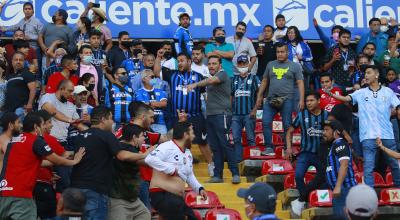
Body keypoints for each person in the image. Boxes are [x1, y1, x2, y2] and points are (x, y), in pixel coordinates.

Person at [70, 106, 152, 219]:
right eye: (111, 118)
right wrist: (144, 154)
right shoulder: (106, 135)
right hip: (95, 190)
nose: (113, 122)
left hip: (75, 188)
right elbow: (121, 155)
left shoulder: (80, 136)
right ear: (103, 119)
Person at [0, 113, 85, 220]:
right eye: (43, 124)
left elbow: (32, 162)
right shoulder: (36, 140)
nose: (44, 127)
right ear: (36, 127)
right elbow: (57, 160)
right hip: (21, 195)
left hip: (3, 193)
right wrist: (75, 161)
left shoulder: (13, 140)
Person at [329, 65, 400, 188]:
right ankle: (370, 198)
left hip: (387, 134)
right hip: (368, 135)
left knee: (394, 164)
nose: (365, 75)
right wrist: (332, 94)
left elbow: (397, 106)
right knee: (368, 168)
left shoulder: (388, 92)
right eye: (365, 73)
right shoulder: (360, 92)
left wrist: (392, 113)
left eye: (368, 72)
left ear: (376, 75)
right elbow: (346, 98)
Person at [187, 55, 241, 184]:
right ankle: (218, 175)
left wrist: (195, 84)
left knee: (226, 145)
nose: (211, 66)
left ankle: (235, 173)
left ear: (220, 65)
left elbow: (211, 81)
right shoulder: (211, 77)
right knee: (215, 147)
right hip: (210, 115)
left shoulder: (222, 74)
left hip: (221, 115)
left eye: (214, 63)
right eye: (209, 64)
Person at [163, 53, 214, 175]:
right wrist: (159, 57)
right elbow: (156, 71)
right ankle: (182, 169)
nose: (179, 63)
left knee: (203, 142)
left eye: (182, 61)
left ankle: (212, 166)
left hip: (195, 115)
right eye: (178, 61)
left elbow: (204, 94)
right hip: (178, 116)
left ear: (189, 62)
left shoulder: (199, 76)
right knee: (180, 143)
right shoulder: (172, 75)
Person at [145, 121, 207, 220]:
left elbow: (189, 175)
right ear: (185, 135)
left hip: (175, 198)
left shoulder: (187, 153)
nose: (194, 136)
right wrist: (171, 170)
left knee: (192, 217)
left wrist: (199, 188)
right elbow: (150, 159)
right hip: (162, 194)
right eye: (192, 133)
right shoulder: (167, 146)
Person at [255, 42, 305, 155]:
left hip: (287, 99)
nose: (280, 54)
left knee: (287, 124)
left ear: (287, 52)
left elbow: (300, 83)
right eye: (278, 52)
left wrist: (301, 100)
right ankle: (269, 148)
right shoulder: (270, 64)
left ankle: (288, 147)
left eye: (282, 52)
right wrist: (259, 96)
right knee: (266, 122)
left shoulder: (295, 66)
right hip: (270, 99)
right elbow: (264, 81)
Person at [39, 80, 87, 191]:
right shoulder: (48, 97)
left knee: (64, 181)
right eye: (69, 91)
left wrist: (94, 132)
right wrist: (70, 120)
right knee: (45, 180)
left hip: (62, 144)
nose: (71, 95)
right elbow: (53, 112)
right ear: (61, 89)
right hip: (45, 143)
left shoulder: (71, 106)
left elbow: (78, 125)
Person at [286, 92, 328, 216]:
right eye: (307, 101)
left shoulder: (326, 115)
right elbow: (289, 131)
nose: (308, 103)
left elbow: (332, 133)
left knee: (325, 180)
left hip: (321, 155)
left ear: (318, 101)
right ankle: (304, 200)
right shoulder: (302, 115)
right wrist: (289, 148)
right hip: (305, 153)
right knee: (298, 176)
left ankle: (302, 200)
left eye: (311, 100)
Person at [108, 124, 151, 219]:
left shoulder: (131, 149)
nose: (144, 139)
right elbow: (126, 157)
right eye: (142, 136)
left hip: (133, 200)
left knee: (145, 215)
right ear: (134, 137)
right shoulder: (119, 148)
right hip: (118, 201)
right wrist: (147, 154)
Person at [34, 109, 68, 220]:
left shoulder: (26, 139)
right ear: (41, 124)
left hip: (31, 184)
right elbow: (64, 155)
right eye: (49, 122)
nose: (51, 125)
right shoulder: (48, 139)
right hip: (43, 185)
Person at [322, 120, 357, 219]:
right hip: (339, 191)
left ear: (336, 132)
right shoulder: (334, 145)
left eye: (327, 130)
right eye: (323, 130)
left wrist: (337, 187)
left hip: (344, 190)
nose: (324, 133)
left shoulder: (340, 144)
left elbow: (344, 165)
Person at [231, 55, 260, 162]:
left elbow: (260, 94)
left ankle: (253, 161)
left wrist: (255, 109)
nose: (242, 65)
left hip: (249, 113)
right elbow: (231, 96)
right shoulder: (233, 80)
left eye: (244, 63)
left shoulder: (254, 78)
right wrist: (231, 111)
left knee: (251, 138)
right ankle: (238, 161)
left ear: (248, 64)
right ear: (237, 65)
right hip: (236, 115)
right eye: (240, 64)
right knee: (236, 139)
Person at [3, 52, 36, 118]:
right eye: (16, 60)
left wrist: (29, 104)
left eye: (20, 60)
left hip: (20, 109)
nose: (18, 62)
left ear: (24, 62)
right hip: (8, 110)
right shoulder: (9, 76)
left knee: (19, 128)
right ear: (12, 62)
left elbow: (33, 90)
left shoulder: (27, 73)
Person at [135, 69, 168, 134]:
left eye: (154, 77)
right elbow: (142, 106)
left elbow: (164, 103)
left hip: (160, 124)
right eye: (152, 77)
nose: (154, 79)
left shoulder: (159, 91)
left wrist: (150, 103)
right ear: (143, 79)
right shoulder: (138, 92)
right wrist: (158, 103)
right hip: (146, 124)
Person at [283, 26, 314, 90]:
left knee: (304, 90)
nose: (290, 35)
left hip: (302, 71)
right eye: (288, 33)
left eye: (292, 33)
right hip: (290, 72)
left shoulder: (303, 44)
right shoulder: (285, 44)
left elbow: (310, 57)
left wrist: (302, 58)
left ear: (296, 34)